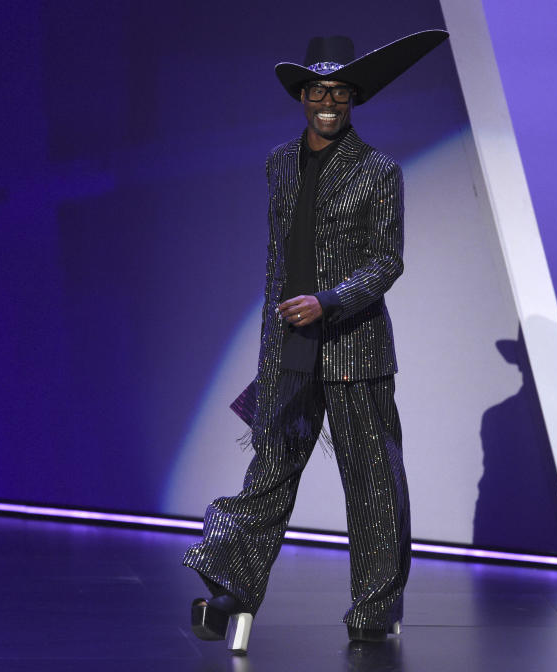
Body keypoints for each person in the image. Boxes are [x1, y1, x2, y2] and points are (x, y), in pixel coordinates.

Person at [182, 29, 449, 653]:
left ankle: (373, 610)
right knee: (268, 473)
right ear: (302, 96)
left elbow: (387, 262)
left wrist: (327, 301)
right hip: (288, 353)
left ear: (353, 99)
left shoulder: (379, 171)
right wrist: (277, 335)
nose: (329, 101)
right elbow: (280, 257)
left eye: (340, 92)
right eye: (318, 91)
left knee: (373, 484)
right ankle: (231, 586)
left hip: (354, 350)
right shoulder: (278, 163)